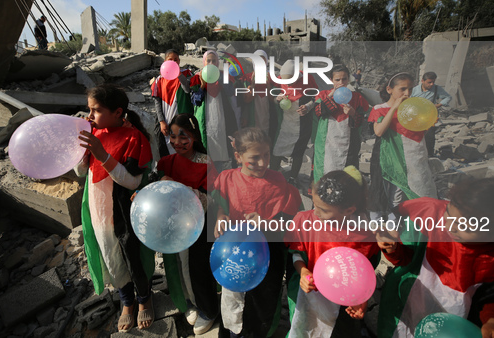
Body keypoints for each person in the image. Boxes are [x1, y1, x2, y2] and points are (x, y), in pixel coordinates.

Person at [376, 177, 494, 338]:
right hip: (406, 304)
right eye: (449, 213)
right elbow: (405, 256)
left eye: (464, 226)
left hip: (454, 326)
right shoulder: (430, 215)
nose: (450, 226)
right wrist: (392, 246)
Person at [75, 84, 154, 332]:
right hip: (98, 208)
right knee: (110, 255)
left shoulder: (134, 138)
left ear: (118, 112)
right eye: (89, 110)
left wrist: (101, 154)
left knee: (132, 255)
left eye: (96, 110)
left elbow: (132, 181)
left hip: (122, 211)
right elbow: (80, 172)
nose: (89, 116)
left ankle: (143, 300)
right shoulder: (94, 133)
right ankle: (126, 302)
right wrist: (79, 151)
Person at [213, 127, 301, 338]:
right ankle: (234, 332)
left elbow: (289, 223)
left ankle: (260, 331)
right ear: (238, 156)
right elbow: (219, 203)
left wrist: (266, 223)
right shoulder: (226, 179)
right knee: (234, 298)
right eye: (254, 158)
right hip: (234, 251)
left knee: (264, 298)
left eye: (266, 155)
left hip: (268, 253)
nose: (262, 163)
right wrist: (219, 216)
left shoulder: (279, 181)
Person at [284, 167, 382, 338]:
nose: (316, 212)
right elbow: (296, 251)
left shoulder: (364, 235)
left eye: (324, 210)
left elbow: (364, 270)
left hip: (343, 302)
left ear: (349, 210)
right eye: (315, 205)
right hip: (310, 295)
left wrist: (362, 299)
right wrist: (302, 271)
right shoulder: (305, 221)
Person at [153, 113, 219, 335]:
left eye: (184, 137)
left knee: (198, 268)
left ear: (195, 137)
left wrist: (178, 189)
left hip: (199, 226)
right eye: (172, 136)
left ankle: (209, 310)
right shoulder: (166, 163)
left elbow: (210, 198)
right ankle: (190, 302)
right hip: (176, 227)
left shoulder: (206, 163)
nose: (177, 142)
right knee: (180, 266)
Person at [368, 73, 437, 221]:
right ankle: (383, 226)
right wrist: (394, 109)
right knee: (388, 192)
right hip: (389, 157)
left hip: (411, 158)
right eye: (402, 89)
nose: (407, 93)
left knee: (409, 190)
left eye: (411, 89)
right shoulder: (380, 108)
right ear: (389, 89)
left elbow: (418, 133)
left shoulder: (414, 108)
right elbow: (379, 131)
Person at [312, 64, 369, 183]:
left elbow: (360, 122)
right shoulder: (323, 95)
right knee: (324, 173)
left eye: (344, 79)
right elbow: (318, 112)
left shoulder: (356, 98)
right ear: (331, 80)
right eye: (337, 80)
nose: (341, 83)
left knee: (347, 178)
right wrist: (330, 96)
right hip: (326, 144)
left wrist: (353, 113)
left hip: (348, 145)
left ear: (348, 79)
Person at [271, 59, 318, 187]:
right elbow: (273, 97)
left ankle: (293, 177)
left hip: (302, 123)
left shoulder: (308, 80)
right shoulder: (280, 81)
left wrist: (308, 107)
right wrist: (277, 99)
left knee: (298, 150)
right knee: (277, 148)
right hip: (285, 122)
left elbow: (316, 98)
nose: (289, 84)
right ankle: (272, 175)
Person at [191, 50, 238, 172]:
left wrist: (221, 78)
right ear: (204, 62)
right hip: (205, 120)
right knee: (206, 151)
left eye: (214, 61)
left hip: (221, 120)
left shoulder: (223, 76)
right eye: (209, 60)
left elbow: (230, 93)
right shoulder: (197, 77)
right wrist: (202, 84)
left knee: (220, 151)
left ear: (218, 62)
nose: (211, 63)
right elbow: (195, 101)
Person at [151, 49, 194, 158]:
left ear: (179, 61)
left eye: (176, 60)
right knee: (167, 148)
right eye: (170, 59)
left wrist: (179, 75)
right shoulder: (159, 80)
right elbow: (157, 101)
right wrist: (161, 121)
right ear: (165, 62)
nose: (173, 62)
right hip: (166, 119)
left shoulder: (186, 73)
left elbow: (188, 90)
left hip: (183, 118)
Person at [410, 72, 452, 157]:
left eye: (433, 82)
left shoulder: (436, 89)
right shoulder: (414, 90)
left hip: (430, 117)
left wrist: (439, 105)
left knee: (429, 137)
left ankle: (430, 156)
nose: (431, 84)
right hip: (416, 117)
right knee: (416, 138)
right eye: (429, 82)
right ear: (423, 81)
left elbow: (448, 97)